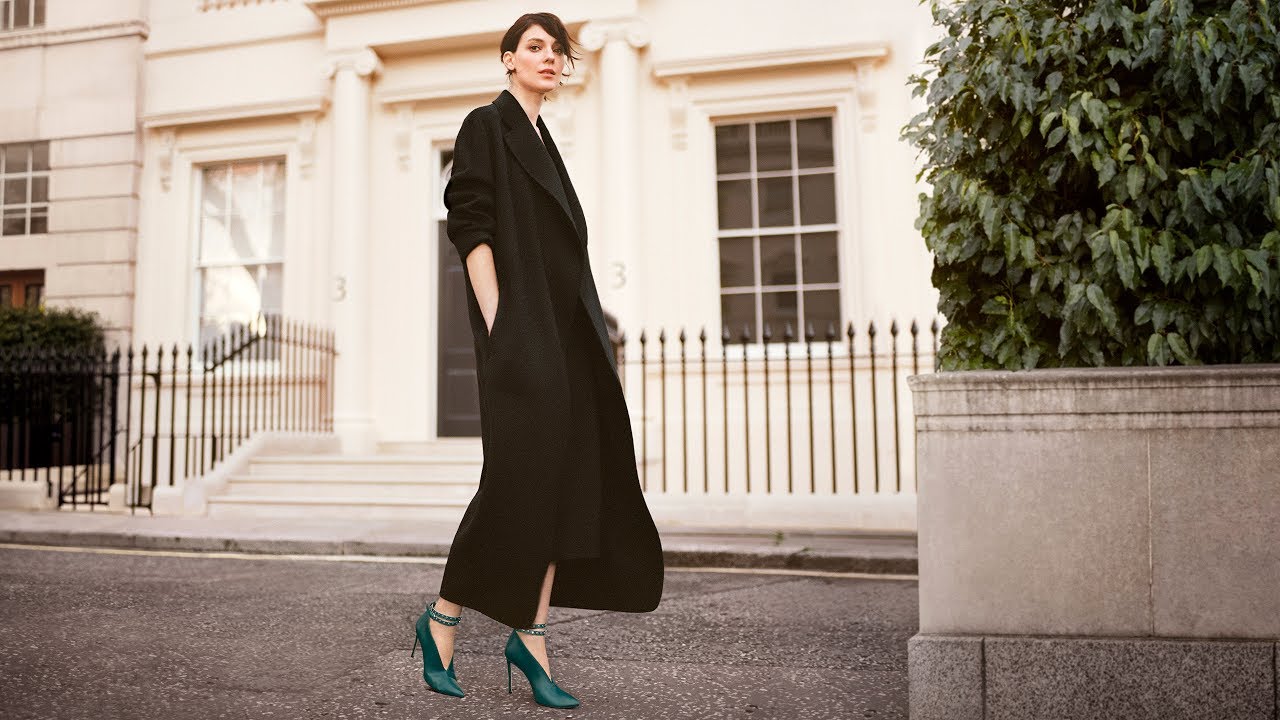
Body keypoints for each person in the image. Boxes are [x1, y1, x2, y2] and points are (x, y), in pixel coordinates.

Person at [408, 11, 665, 709]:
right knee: (518, 481)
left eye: (557, 50)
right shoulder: (484, 126)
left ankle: (528, 635)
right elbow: (472, 222)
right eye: (535, 47)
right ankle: (444, 620)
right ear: (507, 59)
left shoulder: (546, 140)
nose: (550, 58)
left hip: (565, 339)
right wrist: (501, 325)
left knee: (560, 482)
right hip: (523, 336)